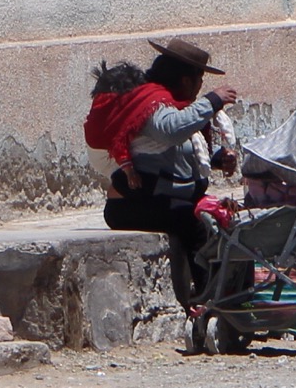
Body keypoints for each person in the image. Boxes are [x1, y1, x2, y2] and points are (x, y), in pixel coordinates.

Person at [88, 37, 238, 259]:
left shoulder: (174, 107)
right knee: (201, 225)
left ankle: (224, 279)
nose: (200, 87)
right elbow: (171, 131)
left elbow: (176, 153)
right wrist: (212, 100)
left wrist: (216, 161)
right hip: (133, 206)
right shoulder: (151, 104)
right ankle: (201, 281)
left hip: (160, 199)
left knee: (230, 219)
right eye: (200, 80)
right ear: (186, 81)